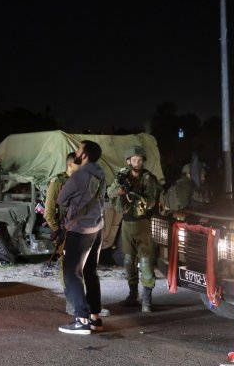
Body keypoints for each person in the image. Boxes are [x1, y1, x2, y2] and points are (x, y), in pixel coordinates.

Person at [57, 140, 106, 335]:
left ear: (84, 155)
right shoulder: (101, 173)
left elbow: (61, 199)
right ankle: (94, 317)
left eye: (78, 149)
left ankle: (81, 319)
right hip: (97, 227)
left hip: (80, 230)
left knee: (71, 273)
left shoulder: (79, 176)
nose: (76, 152)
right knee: (90, 271)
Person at [107, 145, 162, 313]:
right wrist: (120, 191)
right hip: (127, 224)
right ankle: (133, 295)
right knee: (128, 261)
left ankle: (147, 299)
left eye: (139, 160)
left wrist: (133, 193)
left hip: (143, 224)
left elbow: (151, 202)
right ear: (128, 161)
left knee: (145, 261)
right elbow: (110, 192)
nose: (136, 163)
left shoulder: (148, 179)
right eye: (134, 160)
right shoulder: (122, 176)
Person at [44, 151, 77, 303]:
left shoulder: (81, 181)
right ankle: (71, 300)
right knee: (68, 266)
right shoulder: (58, 182)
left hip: (81, 229)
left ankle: (81, 301)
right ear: (70, 164)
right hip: (65, 230)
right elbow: (48, 213)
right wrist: (57, 231)